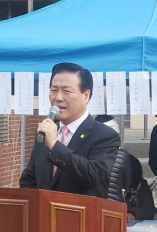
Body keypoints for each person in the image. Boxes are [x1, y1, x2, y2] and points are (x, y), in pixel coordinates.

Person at [19, 63, 119, 198]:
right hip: (45, 216)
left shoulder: (104, 135)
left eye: (67, 91)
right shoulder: (46, 132)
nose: (58, 98)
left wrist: (55, 146)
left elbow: (93, 175)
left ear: (86, 95)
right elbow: (29, 180)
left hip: (82, 216)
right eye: (54, 90)